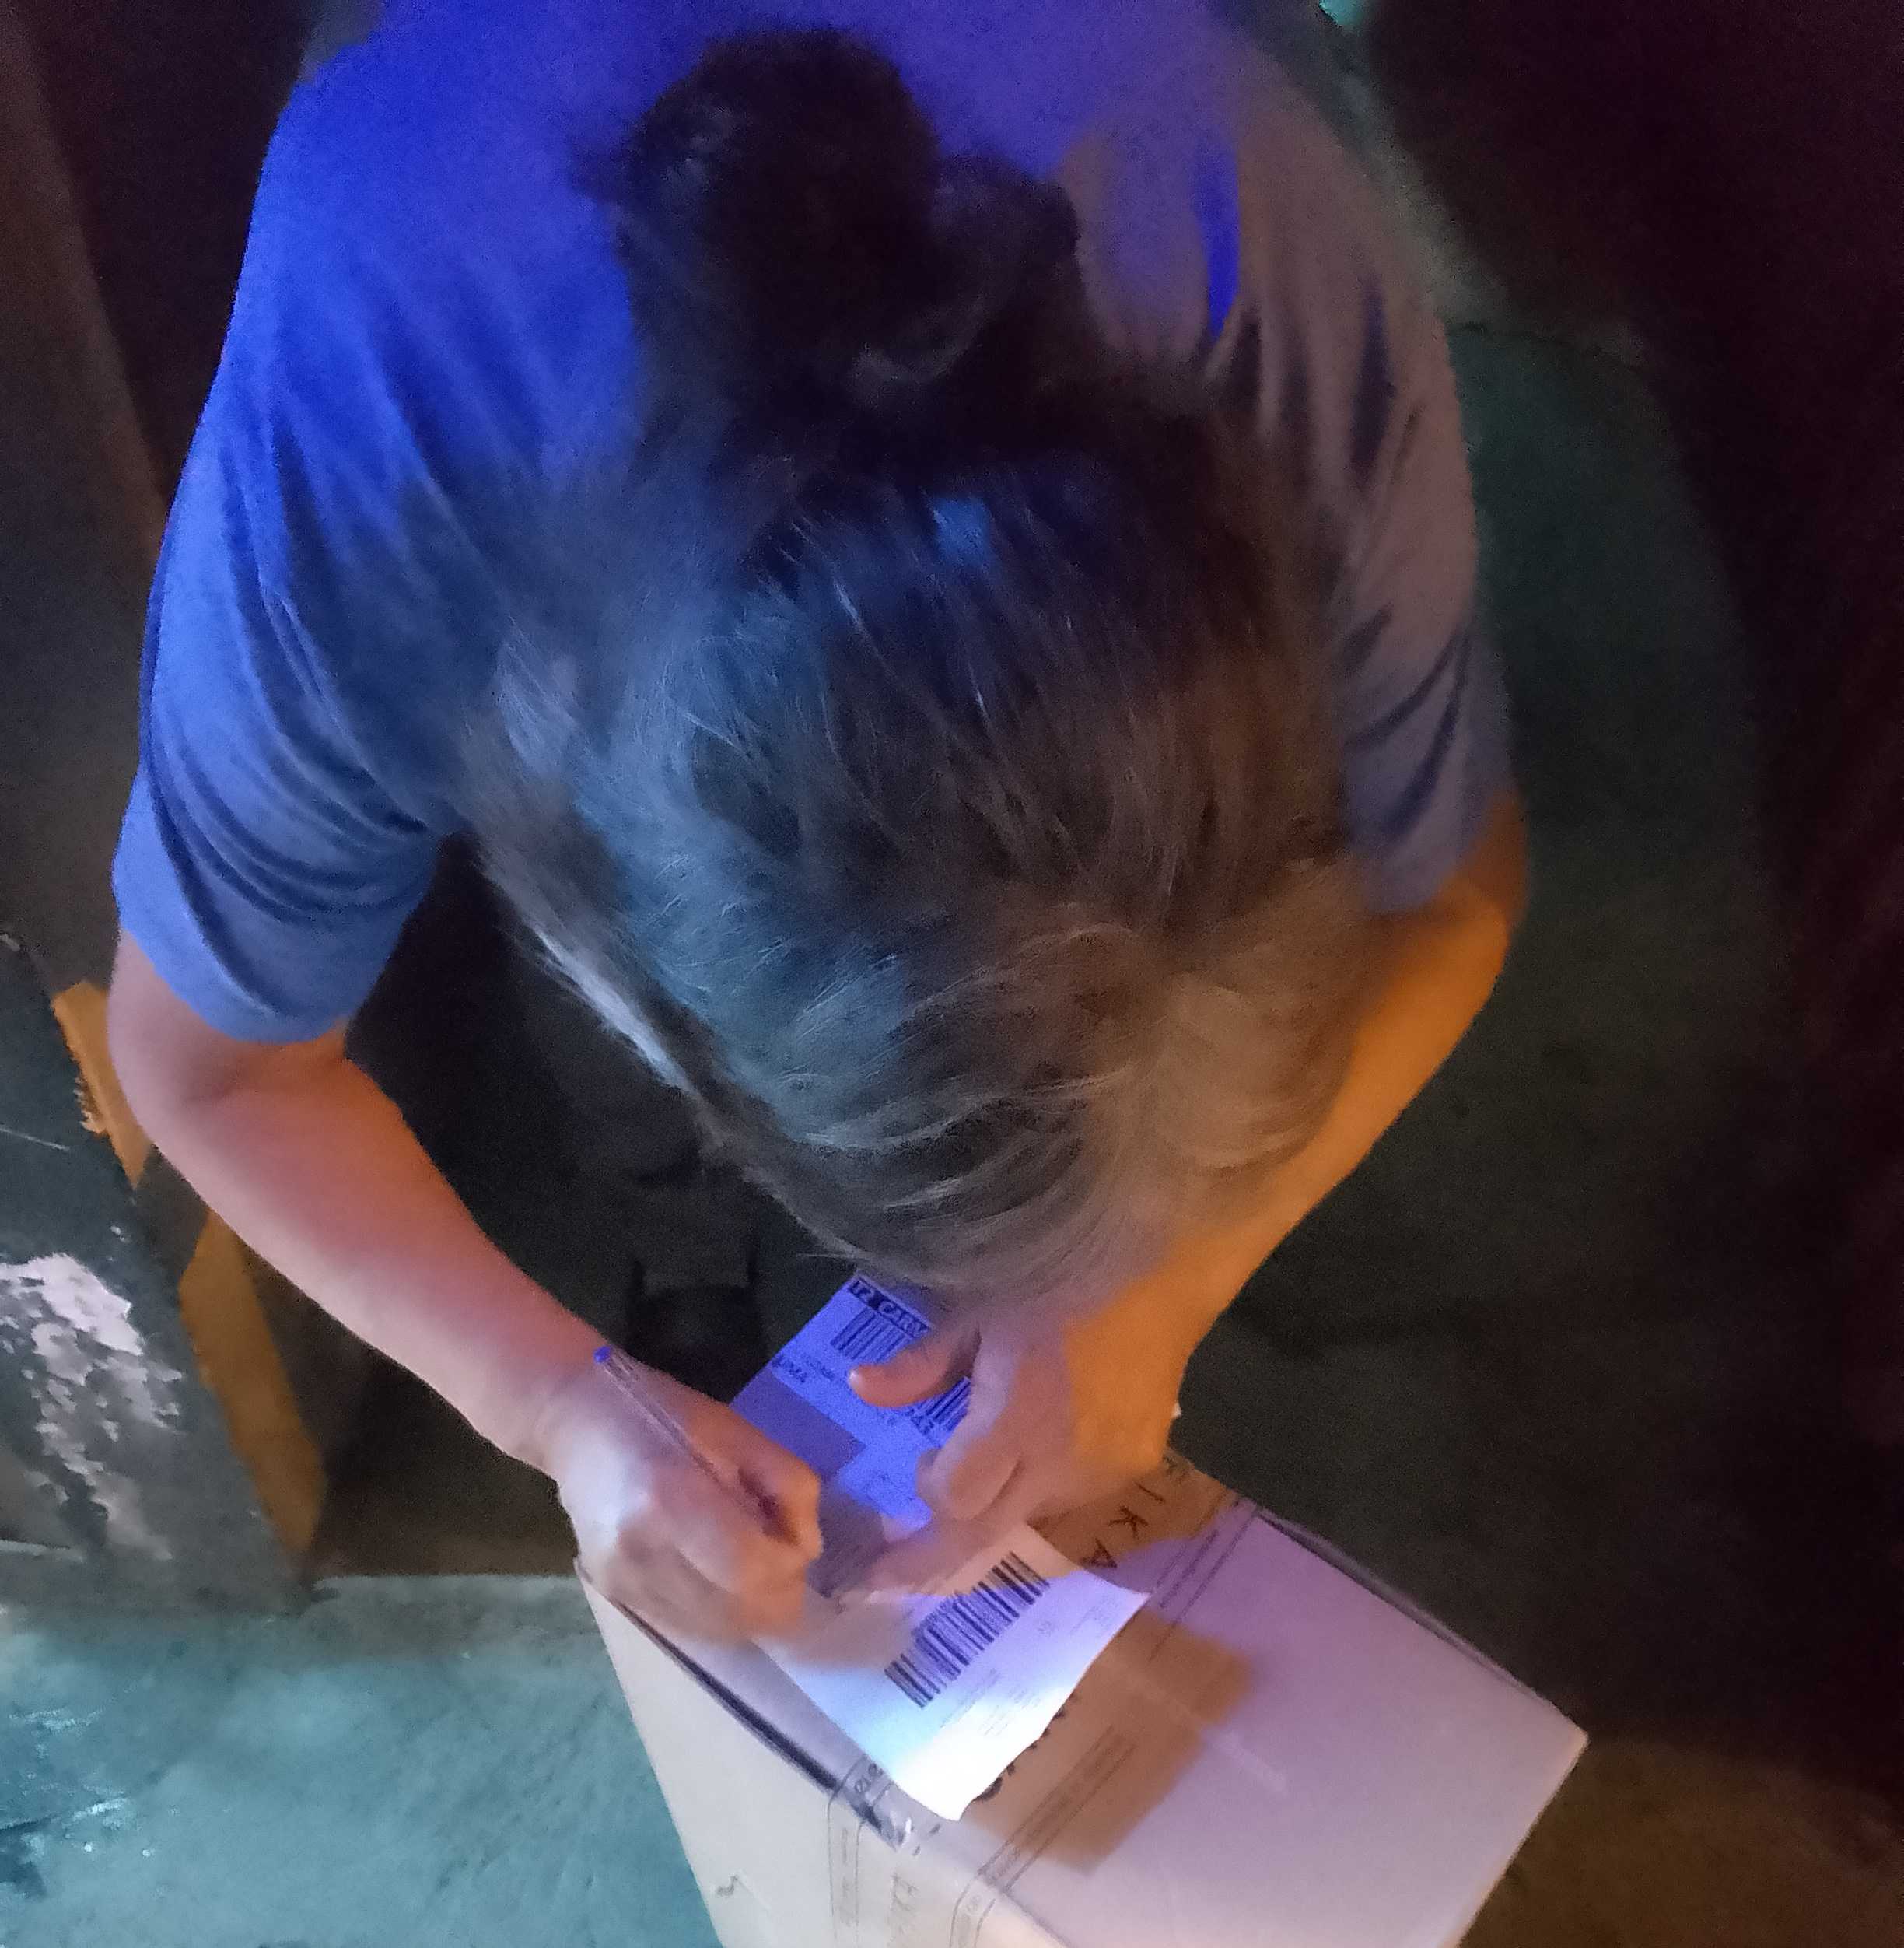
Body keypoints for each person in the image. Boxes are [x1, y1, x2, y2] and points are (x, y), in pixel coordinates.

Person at [106, 0, 1525, 1645]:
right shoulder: (376, 430)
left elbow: (1455, 893)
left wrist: (1163, 1286)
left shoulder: (1252, 221)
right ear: (581, 885)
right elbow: (209, 1069)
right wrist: (557, 1403)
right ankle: (673, 1231)